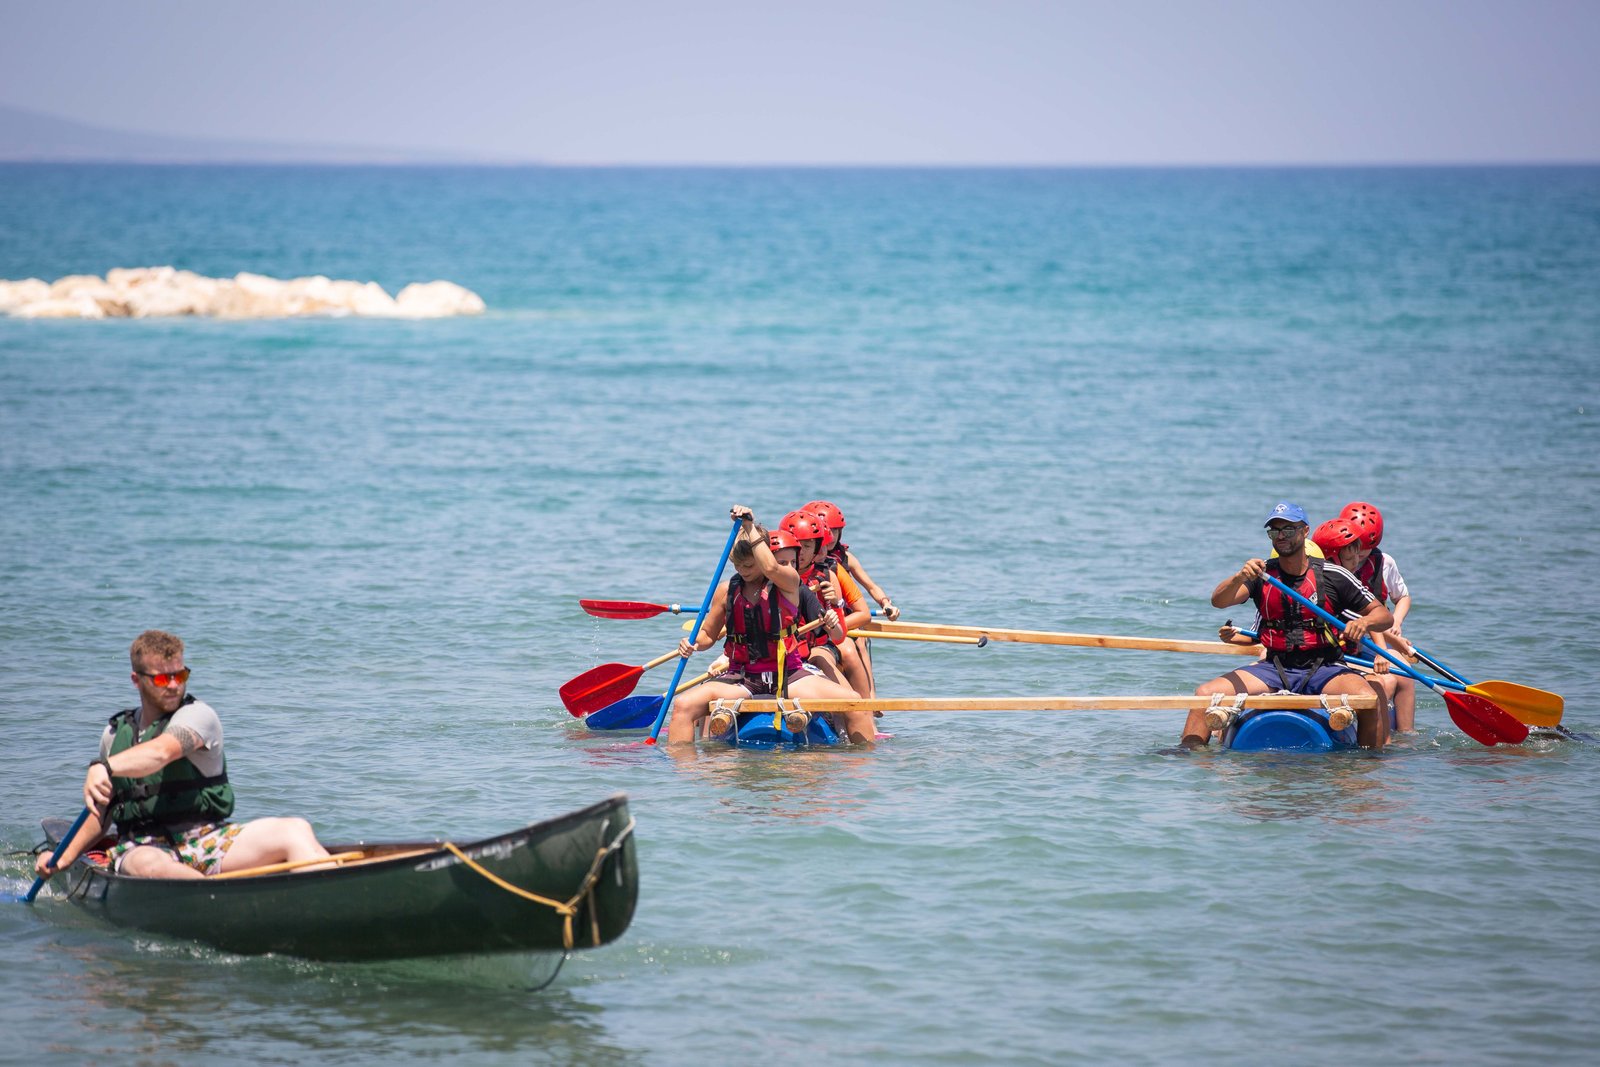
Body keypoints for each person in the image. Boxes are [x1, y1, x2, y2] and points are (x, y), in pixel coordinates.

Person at [33, 630, 333, 884]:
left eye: (180, 675)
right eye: (163, 679)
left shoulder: (199, 716)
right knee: (149, 864)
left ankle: (332, 900)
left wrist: (103, 767)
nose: (175, 685)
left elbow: (162, 752)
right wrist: (63, 859)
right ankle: (214, 904)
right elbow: (101, 815)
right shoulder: (114, 737)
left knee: (295, 829)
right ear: (136, 680)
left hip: (206, 839)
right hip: (142, 848)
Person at [1184, 503, 1393, 749]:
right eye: (1274, 531)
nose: (1281, 536)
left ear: (1305, 531)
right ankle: (1189, 758)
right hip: (1275, 666)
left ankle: (1368, 765)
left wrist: (1364, 621)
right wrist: (1239, 577)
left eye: (1288, 530)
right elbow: (1219, 601)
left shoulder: (1333, 575)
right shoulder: (1261, 575)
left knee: (1368, 699)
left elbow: (1383, 615)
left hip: (1324, 666)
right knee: (1204, 694)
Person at [665, 507, 875, 746]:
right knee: (683, 705)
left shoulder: (788, 582)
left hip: (789, 676)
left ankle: (862, 770)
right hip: (742, 678)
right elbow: (707, 635)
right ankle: (683, 775)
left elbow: (772, 569)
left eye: (749, 566)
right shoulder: (726, 590)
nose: (743, 572)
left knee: (854, 703)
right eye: (738, 566)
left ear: (764, 559)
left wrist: (749, 527)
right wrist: (691, 644)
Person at [1339, 501, 1416, 730]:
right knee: (1389, 674)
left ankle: (1407, 734)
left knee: (1405, 671)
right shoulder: (1331, 565)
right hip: (1347, 640)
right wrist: (1391, 643)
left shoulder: (1384, 562)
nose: (1358, 557)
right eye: (1354, 549)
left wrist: (1397, 624)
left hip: (1372, 639)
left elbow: (1402, 597)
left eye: (1365, 551)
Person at [782, 509, 875, 697]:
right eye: (797, 545)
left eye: (808, 546)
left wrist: (835, 604)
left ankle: (867, 708)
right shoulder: (772, 578)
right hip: (785, 649)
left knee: (848, 648)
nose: (801, 553)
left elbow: (845, 626)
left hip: (819, 644)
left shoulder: (828, 574)